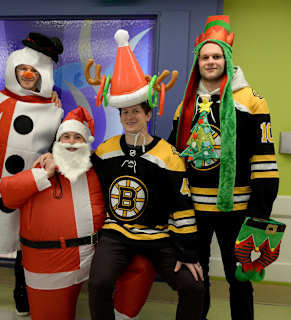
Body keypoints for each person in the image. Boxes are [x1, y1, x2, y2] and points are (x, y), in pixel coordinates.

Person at [86, 29, 204, 320]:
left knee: (194, 286)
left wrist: (188, 253)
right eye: (125, 112)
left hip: (159, 237)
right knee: (98, 282)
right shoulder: (106, 150)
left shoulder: (169, 156)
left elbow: (183, 208)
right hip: (116, 235)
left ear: (149, 114)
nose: (130, 117)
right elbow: (79, 165)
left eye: (136, 111)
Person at [168, 15, 279, 320]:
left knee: (240, 281)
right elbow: (173, 158)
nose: (211, 61)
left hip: (238, 210)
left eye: (216, 56)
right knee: (194, 279)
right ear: (198, 61)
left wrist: (259, 218)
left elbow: (265, 163)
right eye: (205, 57)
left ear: (227, 58)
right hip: (194, 211)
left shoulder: (252, 102)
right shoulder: (187, 104)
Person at [0, 32, 64, 316]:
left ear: (43, 75)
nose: (27, 74)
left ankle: (20, 291)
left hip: (34, 187)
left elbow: (58, 148)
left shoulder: (55, 110)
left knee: (27, 243)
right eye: (23, 69)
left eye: (34, 71)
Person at [0, 106, 105, 320]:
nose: (72, 142)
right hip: (53, 263)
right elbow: (7, 195)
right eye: (66, 137)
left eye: (77, 137)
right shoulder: (43, 168)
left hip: (93, 258)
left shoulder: (97, 169)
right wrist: (44, 173)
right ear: (57, 143)